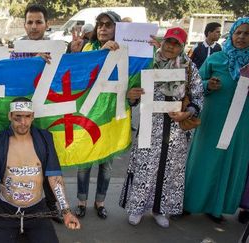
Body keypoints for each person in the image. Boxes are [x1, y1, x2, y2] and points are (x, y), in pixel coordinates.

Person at [0, 97, 81, 242]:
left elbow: (54, 178)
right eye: (18, 117)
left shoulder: (45, 139)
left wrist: (66, 212)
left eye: (27, 117)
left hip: (37, 210)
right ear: (10, 116)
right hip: (6, 210)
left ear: (33, 116)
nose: (23, 123)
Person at [119, 27, 203, 228]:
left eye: (176, 44)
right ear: (162, 41)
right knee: (144, 167)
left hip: (175, 130)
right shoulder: (148, 63)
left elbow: (198, 96)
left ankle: (159, 210)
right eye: (169, 42)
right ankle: (137, 207)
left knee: (169, 170)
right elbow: (132, 93)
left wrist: (187, 113)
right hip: (150, 125)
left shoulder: (188, 68)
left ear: (182, 47)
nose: (171, 47)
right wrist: (131, 96)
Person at [184, 18, 249, 224]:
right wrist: (208, 84)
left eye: (247, 34)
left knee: (228, 161)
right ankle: (189, 203)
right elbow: (195, 86)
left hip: (241, 123)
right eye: (238, 32)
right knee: (202, 160)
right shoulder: (217, 59)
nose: (241, 37)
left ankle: (216, 208)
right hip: (212, 119)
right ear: (231, 35)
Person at [9, 3, 62, 223]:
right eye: (29, 22)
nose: (33, 26)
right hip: (24, 117)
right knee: (22, 161)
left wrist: (77, 50)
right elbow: (10, 75)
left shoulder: (58, 47)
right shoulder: (16, 48)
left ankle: (51, 206)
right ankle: (19, 205)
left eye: (38, 21)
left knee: (48, 160)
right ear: (24, 24)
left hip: (49, 115)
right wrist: (31, 59)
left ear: (46, 24)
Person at [69, 11, 122, 220]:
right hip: (87, 115)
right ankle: (81, 202)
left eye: (108, 24)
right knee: (84, 163)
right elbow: (75, 76)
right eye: (99, 24)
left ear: (117, 29)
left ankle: (100, 202)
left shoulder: (124, 51)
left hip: (111, 117)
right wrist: (74, 54)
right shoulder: (88, 47)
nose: (103, 28)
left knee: (106, 166)